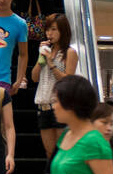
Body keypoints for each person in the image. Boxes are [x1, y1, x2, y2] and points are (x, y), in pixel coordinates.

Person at [33, 13, 79, 158]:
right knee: (49, 152)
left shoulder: (69, 53)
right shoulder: (45, 51)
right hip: (43, 105)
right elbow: (34, 77)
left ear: (63, 31)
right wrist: (41, 58)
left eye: (53, 29)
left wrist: (51, 63)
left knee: (62, 152)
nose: (49, 33)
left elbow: (67, 80)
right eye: (47, 30)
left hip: (60, 106)